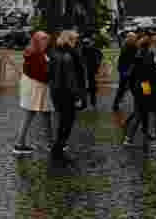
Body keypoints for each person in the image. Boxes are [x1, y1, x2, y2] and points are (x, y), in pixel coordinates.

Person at [13, 32, 53, 155]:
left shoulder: (35, 51)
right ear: (37, 41)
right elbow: (42, 74)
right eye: (43, 40)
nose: (46, 42)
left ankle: (49, 142)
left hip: (34, 87)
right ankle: (49, 143)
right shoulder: (36, 53)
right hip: (37, 88)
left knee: (37, 115)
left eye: (47, 40)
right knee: (34, 114)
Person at [49, 31, 86, 161]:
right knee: (66, 123)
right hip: (67, 94)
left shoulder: (55, 52)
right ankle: (58, 149)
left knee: (63, 122)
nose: (76, 42)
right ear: (69, 40)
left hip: (57, 92)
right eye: (75, 40)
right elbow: (71, 80)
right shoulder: (68, 56)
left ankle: (58, 148)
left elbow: (51, 75)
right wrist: (77, 97)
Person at [123, 35, 156, 145]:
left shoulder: (138, 54)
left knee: (141, 113)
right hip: (145, 86)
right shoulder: (147, 55)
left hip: (139, 86)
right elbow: (149, 72)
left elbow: (132, 73)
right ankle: (130, 137)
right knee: (142, 113)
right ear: (149, 45)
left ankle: (135, 136)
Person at [113, 33, 138, 111]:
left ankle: (116, 103)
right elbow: (132, 60)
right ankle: (140, 104)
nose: (135, 40)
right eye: (134, 39)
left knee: (123, 88)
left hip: (125, 70)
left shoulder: (125, 45)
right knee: (131, 88)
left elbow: (122, 60)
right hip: (128, 71)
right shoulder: (132, 47)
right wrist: (127, 70)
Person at [82, 37, 103, 108]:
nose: (86, 45)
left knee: (92, 86)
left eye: (87, 43)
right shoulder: (83, 49)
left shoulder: (93, 49)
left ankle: (92, 102)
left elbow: (100, 55)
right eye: (85, 43)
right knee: (89, 86)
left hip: (91, 70)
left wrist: (98, 64)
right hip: (87, 70)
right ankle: (87, 102)